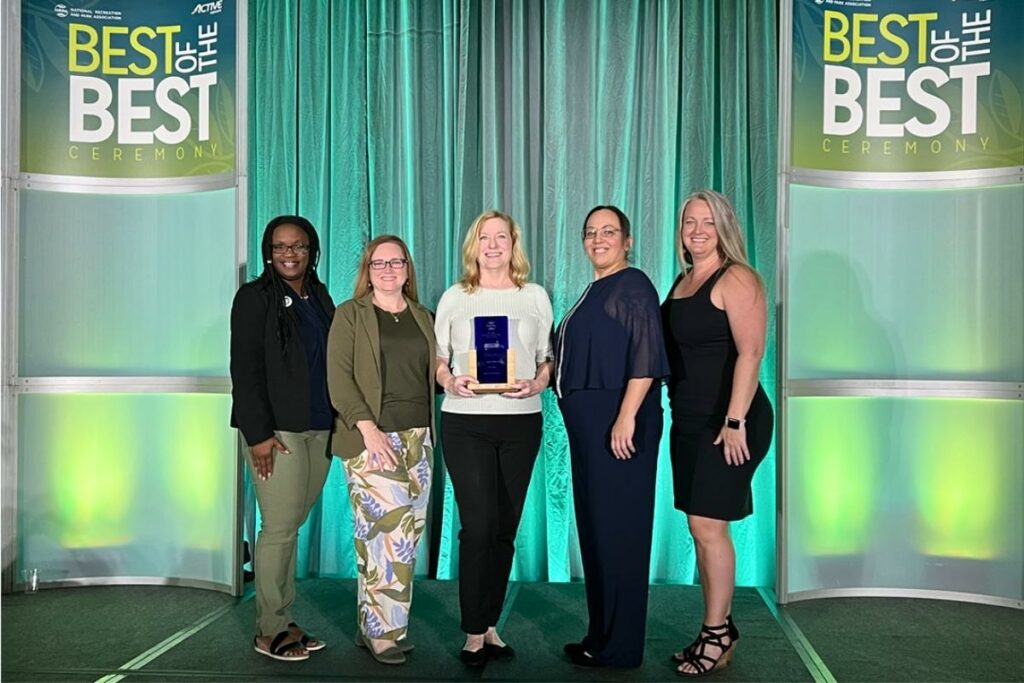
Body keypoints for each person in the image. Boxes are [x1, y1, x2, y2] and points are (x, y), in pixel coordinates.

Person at [434, 210, 554, 667]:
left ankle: (489, 625)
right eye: (484, 237)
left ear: (513, 244)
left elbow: (546, 359)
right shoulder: (454, 297)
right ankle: (471, 631)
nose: (492, 245)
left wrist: (538, 383)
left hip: (521, 422)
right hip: (465, 421)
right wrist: (449, 380)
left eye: (501, 237)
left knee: (504, 529)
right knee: (479, 525)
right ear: (473, 245)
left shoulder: (535, 297)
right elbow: (439, 360)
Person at [662, 190, 773, 677]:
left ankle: (716, 633)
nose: (698, 230)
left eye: (708, 222)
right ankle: (717, 628)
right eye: (690, 222)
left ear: (724, 226)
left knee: (710, 527)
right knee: (698, 527)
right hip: (688, 420)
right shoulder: (684, 281)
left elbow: (751, 353)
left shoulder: (738, 278)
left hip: (730, 422)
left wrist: (734, 421)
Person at [554, 205, 669, 668]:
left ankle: (619, 647)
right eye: (590, 232)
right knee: (598, 532)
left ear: (628, 239)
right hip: (590, 425)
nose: (598, 239)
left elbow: (646, 354)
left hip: (620, 423)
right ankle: (601, 636)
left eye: (608, 231)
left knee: (620, 533)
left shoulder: (633, 284)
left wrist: (625, 417)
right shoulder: (597, 288)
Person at [326, 235, 436, 666]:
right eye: (379, 263)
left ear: (407, 268)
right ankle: (385, 635)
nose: (388, 269)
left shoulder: (423, 317)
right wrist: (367, 429)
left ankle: (370, 624)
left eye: (396, 262)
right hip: (372, 435)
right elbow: (338, 377)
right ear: (367, 271)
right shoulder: (350, 315)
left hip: (420, 438)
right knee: (392, 535)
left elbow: (437, 371)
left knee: (400, 533)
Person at [230, 215, 334, 662]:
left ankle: (283, 615)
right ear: (267, 251)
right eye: (280, 246)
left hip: (319, 428)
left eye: (299, 246)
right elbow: (245, 370)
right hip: (277, 433)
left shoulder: (320, 296)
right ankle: (269, 629)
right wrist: (258, 436)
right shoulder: (254, 299)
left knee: (289, 526)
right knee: (277, 529)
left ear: (312, 251)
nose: (289, 254)